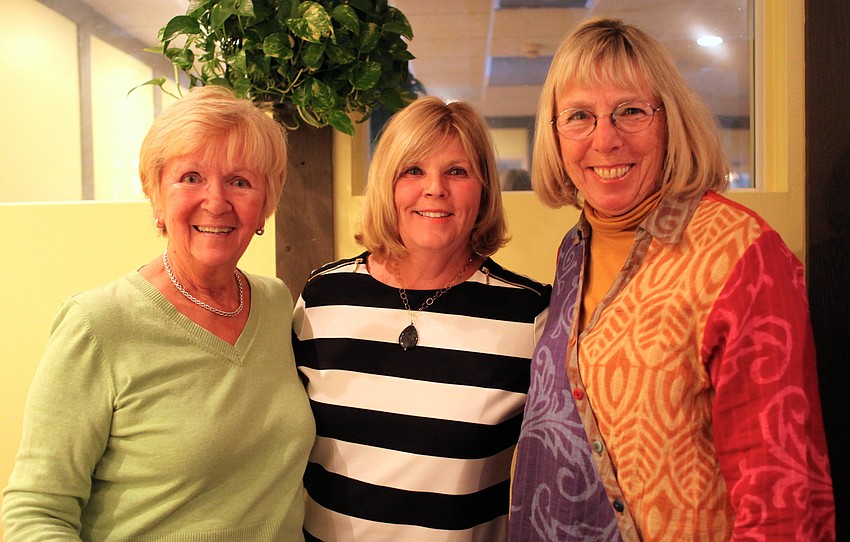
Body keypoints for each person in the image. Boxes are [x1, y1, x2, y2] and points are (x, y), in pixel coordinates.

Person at [508, 17, 835, 542]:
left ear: (670, 120)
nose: (605, 139)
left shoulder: (741, 254)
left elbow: (783, 496)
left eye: (631, 111)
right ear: (554, 133)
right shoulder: (576, 248)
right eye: (579, 116)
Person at [2, 85, 316, 541]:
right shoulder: (98, 323)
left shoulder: (274, 302)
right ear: (156, 195)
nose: (216, 201)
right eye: (191, 177)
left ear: (265, 204)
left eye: (240, 181)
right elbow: (37, 511)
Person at [292, 96, 551, 541]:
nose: (435, 189)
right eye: (413, 170)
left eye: (457, 171)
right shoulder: (322, 297)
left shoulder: (530, 315)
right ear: (386, 184)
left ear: (484, 187)